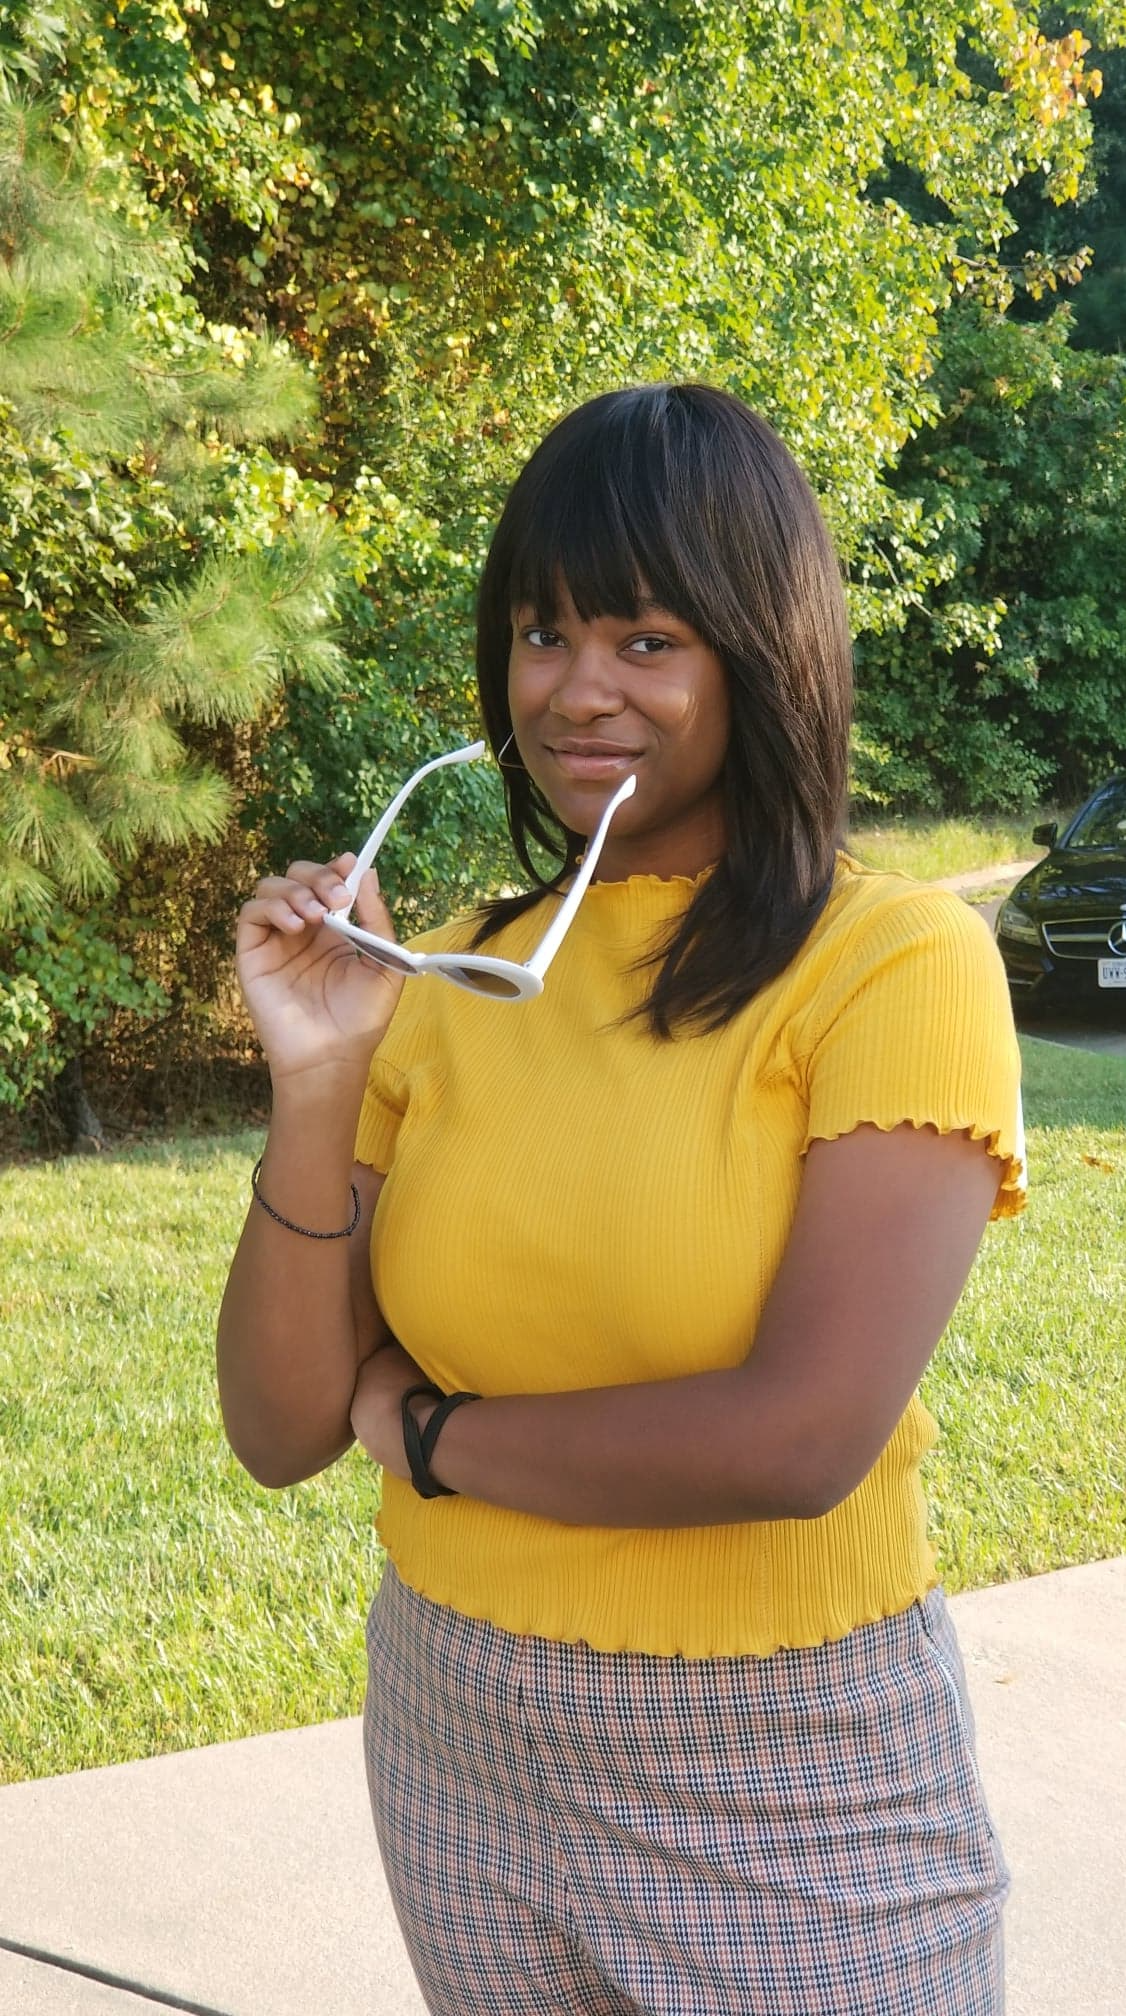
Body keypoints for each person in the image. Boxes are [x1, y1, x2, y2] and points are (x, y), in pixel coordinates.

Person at [218, 382, 1024, 2016]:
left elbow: (796, 1440)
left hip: (787, 1773)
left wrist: (430, 1437)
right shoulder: (456, 972)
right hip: (452, 1734)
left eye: (646, 639)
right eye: (542, 633)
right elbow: (280, 1426)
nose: (576, 690)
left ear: (760, 658)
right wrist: (319, 1077)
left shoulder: (890, 959)